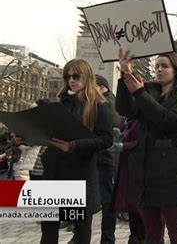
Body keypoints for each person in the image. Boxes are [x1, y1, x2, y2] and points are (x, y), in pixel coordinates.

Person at [116, 49, 177, 243]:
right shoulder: (149, 92)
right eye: (157, 66)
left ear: (176, 70)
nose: (159, 70)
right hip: (145, 176)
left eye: (165, 66)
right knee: (152, 234)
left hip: (172, 177)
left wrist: (140, 93)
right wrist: (125, 74)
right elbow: (124, 109)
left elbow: (169, 121)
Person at [40, 59, 113, 244]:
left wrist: (74, 146)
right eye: (68, 76)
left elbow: (106, 139)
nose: (72, 80)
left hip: (79, 174)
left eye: (76, 76)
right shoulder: (60, 104)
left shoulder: (99, 106)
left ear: (87, 77)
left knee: (81, 231)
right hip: (54, 172)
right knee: (48, 229)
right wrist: (23, 137)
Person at [95, 74, 122, 244]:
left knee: (107, 200)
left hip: (106, 158)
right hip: (96, 157)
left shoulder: (109, 104)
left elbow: (113, 126)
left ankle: (107, 238)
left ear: (102, 87)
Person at [113, 118, 146, 243]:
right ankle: (134, 237)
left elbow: (142, 142)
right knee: (131, 207)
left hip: (138, 170)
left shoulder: (142, 119)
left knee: (140, 209)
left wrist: (124, 146)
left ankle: (141, 238)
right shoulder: (126, 120)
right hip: (126, 168)